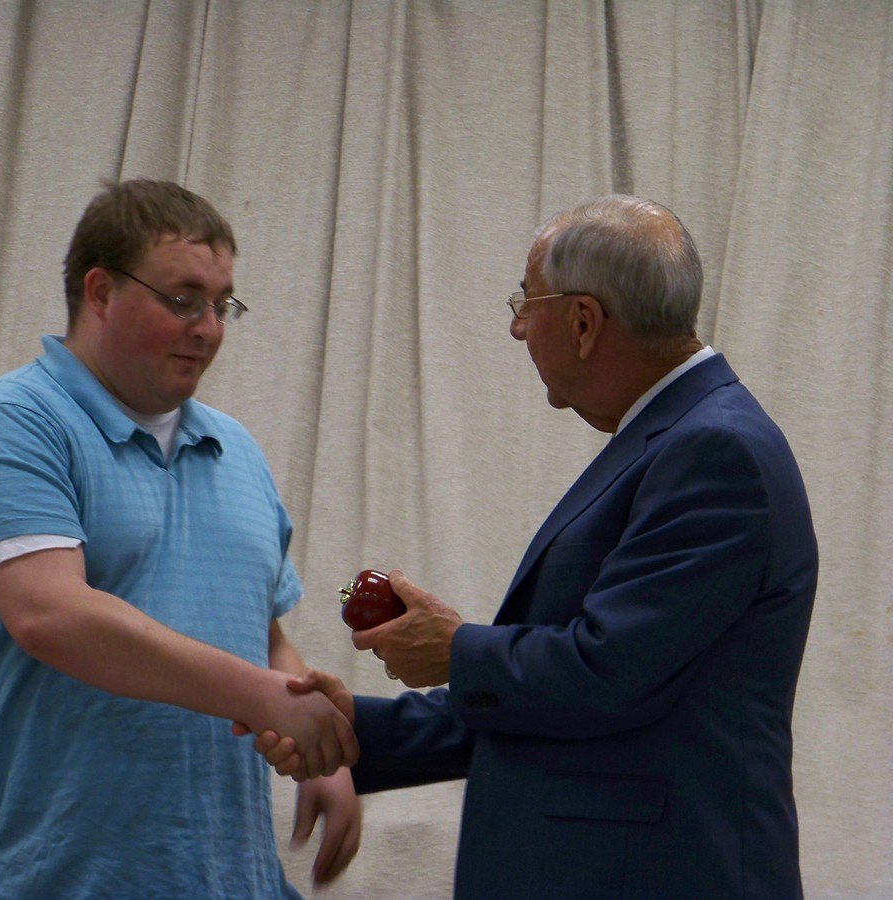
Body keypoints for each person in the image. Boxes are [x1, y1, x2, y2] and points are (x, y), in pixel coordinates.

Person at [248, 195, 818, 897]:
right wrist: (353, 732)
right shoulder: (679, 438)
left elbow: (605, 675)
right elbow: (557, 695)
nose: (517, 328)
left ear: (583, 322)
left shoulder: (713, 449)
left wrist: (454, 648)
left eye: (527, 302)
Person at [0, 178, 360, 898]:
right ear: (99, 291)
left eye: (222, 305)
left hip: (228, 878)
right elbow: (52, 616)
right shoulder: (9, 425)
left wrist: (324, 755)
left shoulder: (238, 450)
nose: (209, 328)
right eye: (183, 300)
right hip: (46, 880)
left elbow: (262, 634)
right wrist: (268, 700)